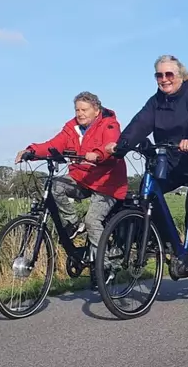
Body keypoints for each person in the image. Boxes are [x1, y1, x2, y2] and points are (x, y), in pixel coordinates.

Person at [105, 54, 188, 281]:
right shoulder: (156, 101)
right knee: (147, 197)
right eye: (159, 75)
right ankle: (173, 248)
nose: (164, 79)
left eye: (169, 74)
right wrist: (120, 146)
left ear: (180, 75)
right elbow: (140, 124)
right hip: (172, 161)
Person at [15, 91, 128, 258]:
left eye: (84, 110)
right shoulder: (71, 128)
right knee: (53, 185)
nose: (80, 114)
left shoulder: (109, 124)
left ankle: (102, 264)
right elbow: (54, 145)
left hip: (107, 182)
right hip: (82, 178)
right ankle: (73, 223)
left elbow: (111, 144)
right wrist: (31, 151)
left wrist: (98, 154)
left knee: (92, 221)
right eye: (77, 110)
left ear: (96, 110)